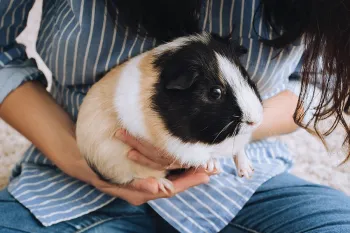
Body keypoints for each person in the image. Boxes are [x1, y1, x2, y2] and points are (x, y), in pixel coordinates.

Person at [0, 0, 350, 232]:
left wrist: (231, 139)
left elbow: (318, 84)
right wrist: (87, 159)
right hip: (70, 176)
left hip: (241, 186)